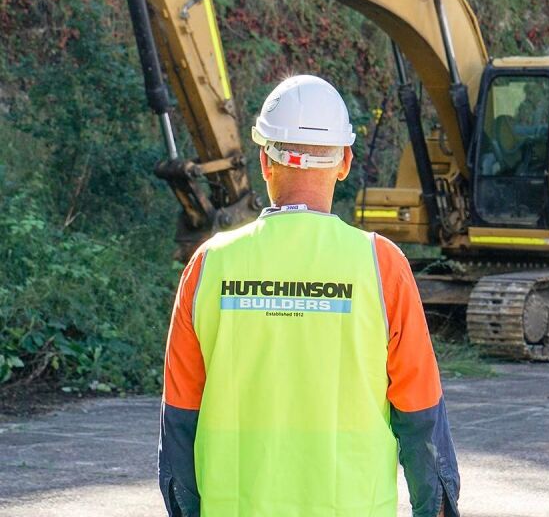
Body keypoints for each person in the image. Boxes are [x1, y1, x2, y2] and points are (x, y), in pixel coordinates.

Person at [159, 74, 460, 517]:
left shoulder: (208, 266)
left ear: (265, 162)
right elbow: (421, 419)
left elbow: (180, 421)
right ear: (344, 163)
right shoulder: (381, 267)